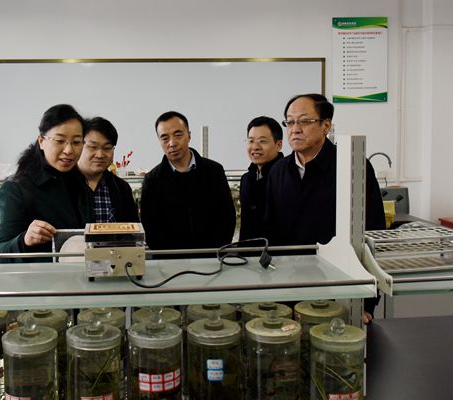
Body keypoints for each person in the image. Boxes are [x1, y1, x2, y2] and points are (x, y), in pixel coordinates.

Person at [264, 93, 385, 321]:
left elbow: (372, 231)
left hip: (340, 290)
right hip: (288, 289)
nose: (295, 129)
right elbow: (272, 232)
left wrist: (366, 301)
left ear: (326, 126)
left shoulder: (351, 165)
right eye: (290, 122)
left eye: (305, 121)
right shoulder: (278, 171)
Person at [0, 104, 93, 262]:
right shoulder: (16, 189)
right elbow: (0, 254)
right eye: (60, 140)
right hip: (39, 276)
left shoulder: (80, 183)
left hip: (79, 274)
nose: (69, 150)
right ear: (41, 141)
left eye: (76, 142)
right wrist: (25, 240)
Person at [140, 111, 236, 253]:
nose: (172, 143)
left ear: (189, 135)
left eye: (178, 135)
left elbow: (227, 217)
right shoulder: (152, 180)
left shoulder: (214, 171)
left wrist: (211, 252)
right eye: (165, 138)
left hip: (212, 257)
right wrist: (174, 257)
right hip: (170, 260)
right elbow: (151, 228)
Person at [77, 117, 139, 222]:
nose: (100, 155)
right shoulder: (61, 185)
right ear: (78, 145)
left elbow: (133, 228)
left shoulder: (122, 188)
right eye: (93, 147)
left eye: (107, 148)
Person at [239, 116, 284, 241]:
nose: (255, 147)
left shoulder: (287, 176)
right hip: (248, 251)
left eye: (262, 141)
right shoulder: (246, 179)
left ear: (278, 145)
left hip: (278, 251)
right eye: (251, 141)